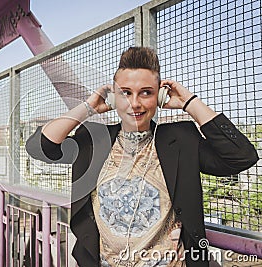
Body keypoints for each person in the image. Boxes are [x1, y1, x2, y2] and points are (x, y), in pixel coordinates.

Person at [25, 47, 259, 266]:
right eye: (125, 93)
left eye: (146, 93)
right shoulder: (94, 141)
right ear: (114, 97)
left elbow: (241, 156)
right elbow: (41, 148)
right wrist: (88, 107)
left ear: (158, 97)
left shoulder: (181, 139)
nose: (134, 103)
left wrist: (189, 102)